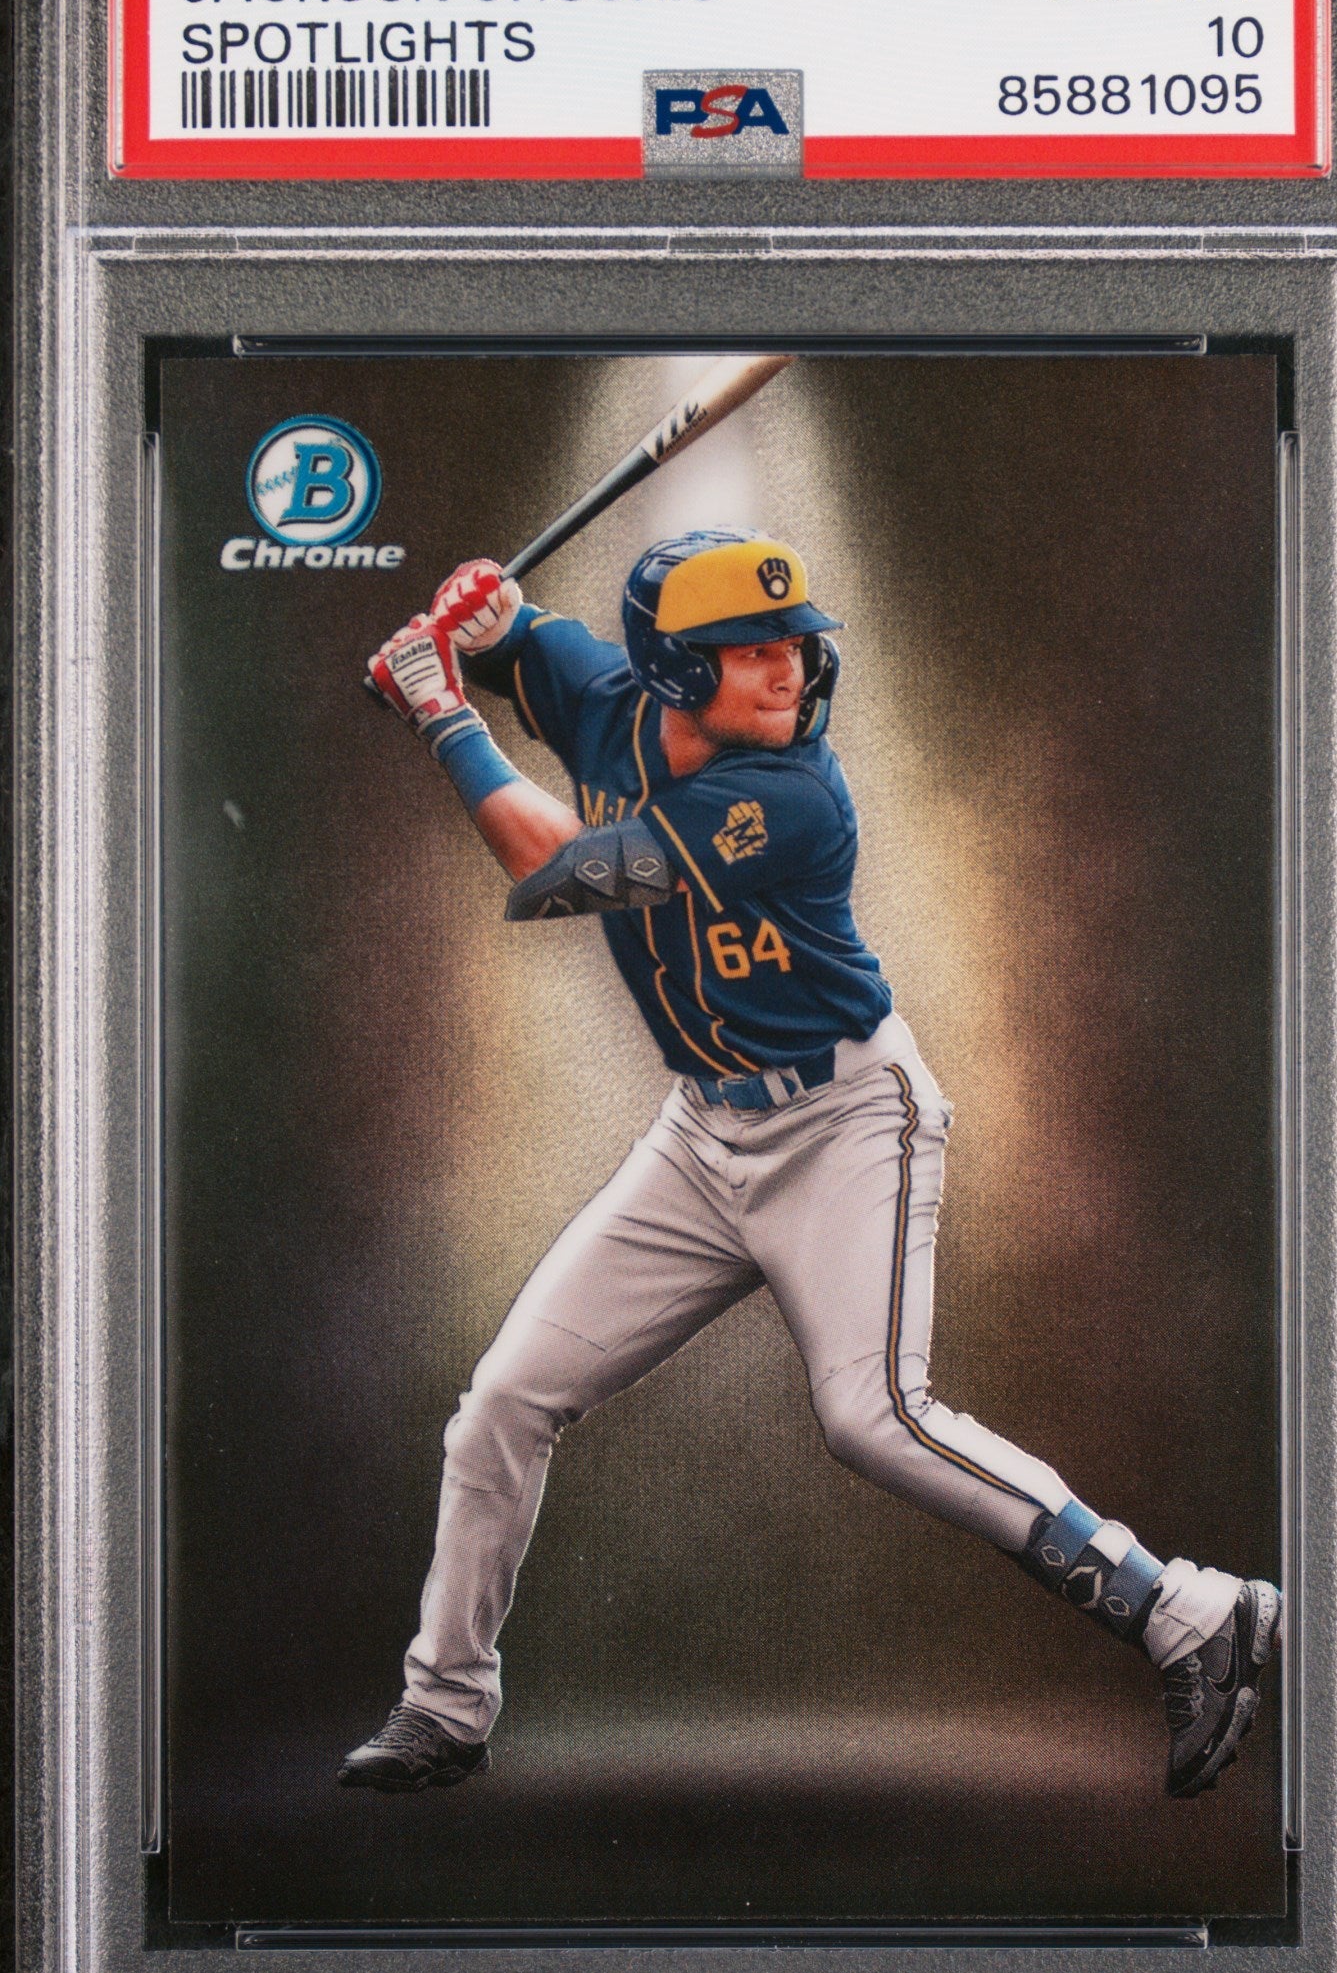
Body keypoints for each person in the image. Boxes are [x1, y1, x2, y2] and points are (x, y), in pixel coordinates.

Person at [342, 527, 1280, 1799]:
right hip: (700, 1133)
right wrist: (480, 612)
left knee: (872, 1417)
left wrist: (441, 713)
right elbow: (525, 637)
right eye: (749, 648)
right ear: (675, 671)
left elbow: (556, 872)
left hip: (844, 1120)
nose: (788, 665)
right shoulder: (601, 693)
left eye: (792, 639)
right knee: (504, 1400)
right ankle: (444, 1707)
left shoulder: (789, 798)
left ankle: (1183, 1609)